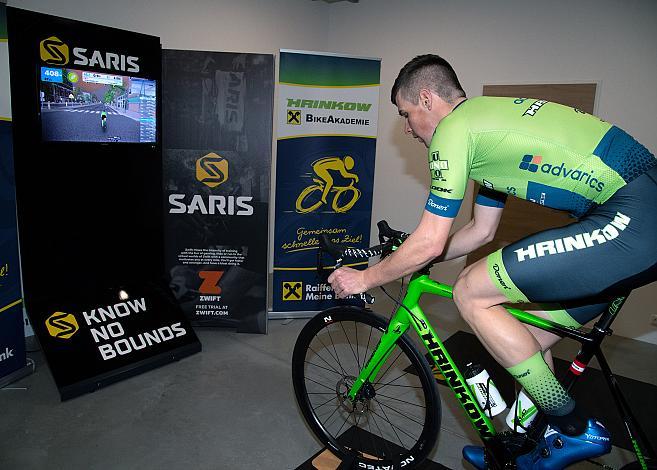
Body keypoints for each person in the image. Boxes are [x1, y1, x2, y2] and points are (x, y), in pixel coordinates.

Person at [327, 54, 657, 468]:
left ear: (427, 99)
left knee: (470, 289)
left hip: (632, 220)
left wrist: (367, 278)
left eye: (406, 115)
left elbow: (431, 243)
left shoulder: (453, 131)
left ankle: (574, 428)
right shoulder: (486, 128)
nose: (408, 129)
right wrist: (404, 255)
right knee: (524, 342)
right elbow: (479, 231)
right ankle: (523, 449)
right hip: (638, 217)